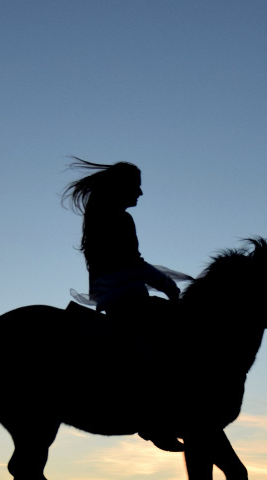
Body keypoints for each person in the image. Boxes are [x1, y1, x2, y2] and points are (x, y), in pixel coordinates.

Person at [63, 158, 185, 452]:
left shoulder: (98, 217)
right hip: (127, 298)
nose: (140, 193)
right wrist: (168, 286)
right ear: (122, 188)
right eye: (136, 187)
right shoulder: (119, 219)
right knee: (170, 342)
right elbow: (134, 264)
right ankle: (156, 418)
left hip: (110, 298)